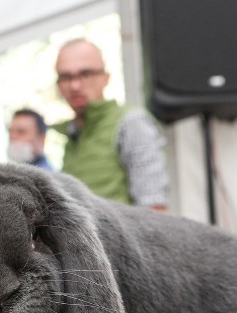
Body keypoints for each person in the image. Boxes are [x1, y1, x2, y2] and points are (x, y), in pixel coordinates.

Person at [51, 38, 168, 210]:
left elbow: (155, 211)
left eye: (85, 74)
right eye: (66, 77)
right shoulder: (73, 132)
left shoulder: (131, 123)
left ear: (105, 78)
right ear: (58, 85)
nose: (75, 85)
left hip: (123, 236)